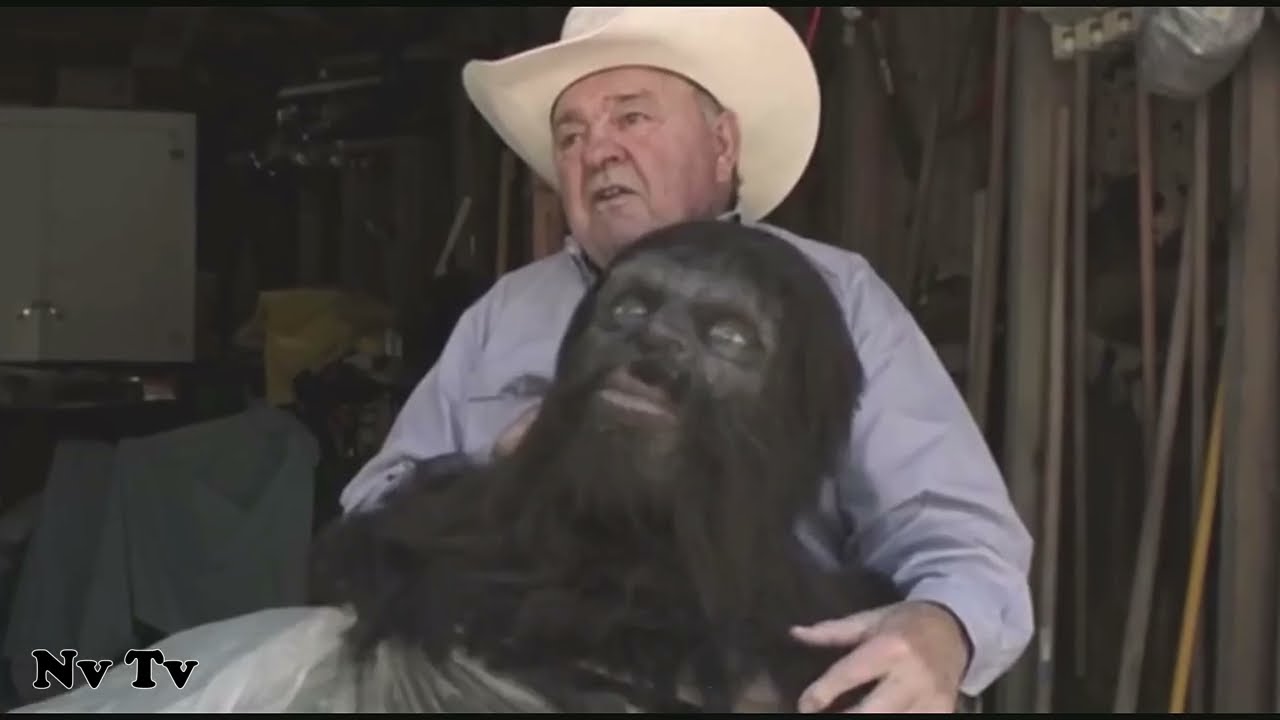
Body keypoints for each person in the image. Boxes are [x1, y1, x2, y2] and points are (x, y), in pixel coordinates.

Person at [339, 6, 1034, 713]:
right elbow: (373, 508)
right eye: (571, 135)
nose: (597, 152)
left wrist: (944, 629)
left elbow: (956, 533)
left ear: (723, 144)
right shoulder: (506, 313)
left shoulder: (840, 297)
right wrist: (514, 464)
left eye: (631, 117)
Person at [16, 222, 903, 713]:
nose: (657, 346)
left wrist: (951, 627)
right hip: (233, 663)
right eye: (630, 311)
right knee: (132, 671)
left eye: (728, 338)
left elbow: (954, 527)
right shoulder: (430, 552)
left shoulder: (811, 666)